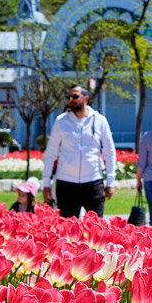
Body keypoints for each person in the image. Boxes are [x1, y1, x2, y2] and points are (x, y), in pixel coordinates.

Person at [42, 85, 117, 217]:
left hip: (93, 182)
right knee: (67, 231)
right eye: (69, 97)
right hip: (66, 184)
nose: (71, 99)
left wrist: (110, 182)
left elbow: (109, 152)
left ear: (86, 98)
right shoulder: (61, 121)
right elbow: (50, 154)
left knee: (95, 229)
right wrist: (46, 184)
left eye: (75, 96)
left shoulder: (100, 121)